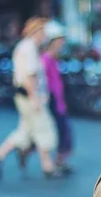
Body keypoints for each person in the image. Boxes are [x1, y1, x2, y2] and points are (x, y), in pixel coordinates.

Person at [0, 17, 62, 180]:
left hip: (26, 96)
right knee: (44, 129)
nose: (45, 36)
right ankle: (48, 166)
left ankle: (1, 155)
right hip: (30, 96)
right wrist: (35, 97)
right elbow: (29, 76)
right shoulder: (28, 49)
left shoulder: (27, 47)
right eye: (43, 32)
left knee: (25, 133)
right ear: (37, 31)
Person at [41, 21, 74, 173]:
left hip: (58, 100)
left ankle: (59, 161)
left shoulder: (54, 59)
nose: (62, 43)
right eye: (60, 40)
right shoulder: (45, 59)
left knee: (63, 132)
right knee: (59, 132)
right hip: (51, 101)